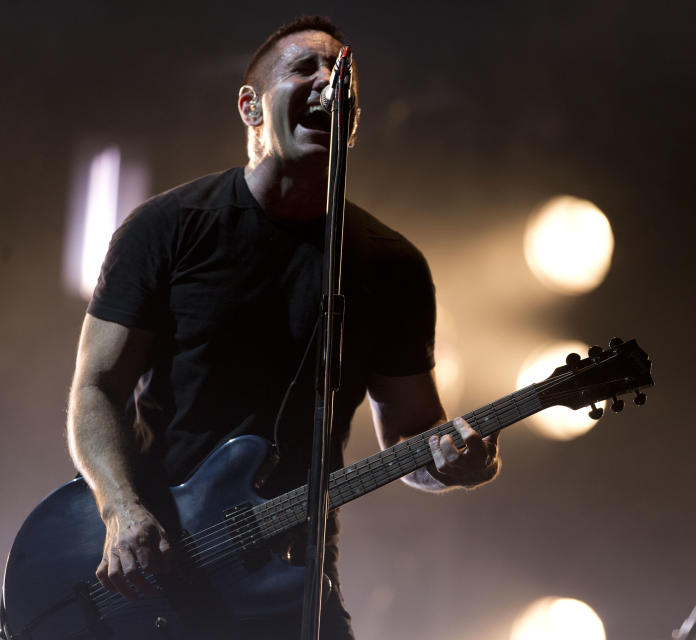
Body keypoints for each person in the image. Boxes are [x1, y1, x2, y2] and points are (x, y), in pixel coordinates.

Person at [65, 15, 500, 639]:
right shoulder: (166, 227)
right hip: (157, 565)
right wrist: (122, 509)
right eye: (306, 69)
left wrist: (458, 463)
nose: (330, 82)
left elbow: (413, 442)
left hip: (292, 576)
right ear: (250, 106)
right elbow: (97, 389)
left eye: (342, 78)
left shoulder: (391, 266)